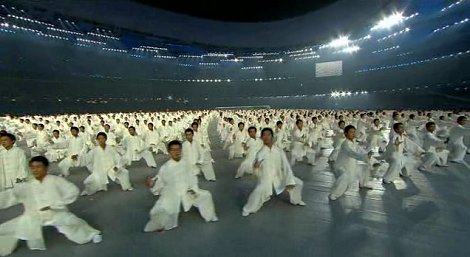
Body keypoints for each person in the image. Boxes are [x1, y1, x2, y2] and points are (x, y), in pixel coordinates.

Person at [0, 156, 102, 256]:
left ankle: (92, 234)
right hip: (33, 216)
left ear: (46, 168)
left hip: (55, 213)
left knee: (72, 222)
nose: (35, 170)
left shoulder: (55, 180)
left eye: (38, 167)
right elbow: (11, 195)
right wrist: (14, 194)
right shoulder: (28, 185)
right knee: (7, 229)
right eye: (33, 167)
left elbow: (72, 191)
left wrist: (54, 205)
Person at [144, 140, 218, 232]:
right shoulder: (166, 167)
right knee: (157, 212)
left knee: (206, 195)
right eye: (173, 150)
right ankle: (162, 224)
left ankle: (210, 217)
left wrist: (193, 189)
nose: (176, 152)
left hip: (187, 191)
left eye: (178, 149)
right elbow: (159, 180)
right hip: (172, 194)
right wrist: (152, 184)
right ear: (169, 152)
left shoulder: (186, 163)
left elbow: (192, 178)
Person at [242, 128, 305, 217]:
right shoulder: (260, 153)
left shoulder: (279, 151)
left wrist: (289, 180)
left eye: (268, 135)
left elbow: (286, 166)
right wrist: (256, 167)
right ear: (261, 137)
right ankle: (248, 209)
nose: (266, 137)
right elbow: (256, 170)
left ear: (272, 136)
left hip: (279, 176)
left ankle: (296, 200)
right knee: (259, 191)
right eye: (264, 135)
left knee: (298, 183)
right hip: (266, 177)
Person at [329, 125, 373, 201]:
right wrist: (364, 157)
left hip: (352, 166)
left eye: (354, 132)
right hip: (341, 167)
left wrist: (367, 154)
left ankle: (363, 183)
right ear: (346, 134)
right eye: (351, 132)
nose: (353, 134)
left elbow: (360, 150)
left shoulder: (354, 142)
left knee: (365, 167)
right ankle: (333, 194)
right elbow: (351, 153)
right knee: (345, 176)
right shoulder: (345, 144)